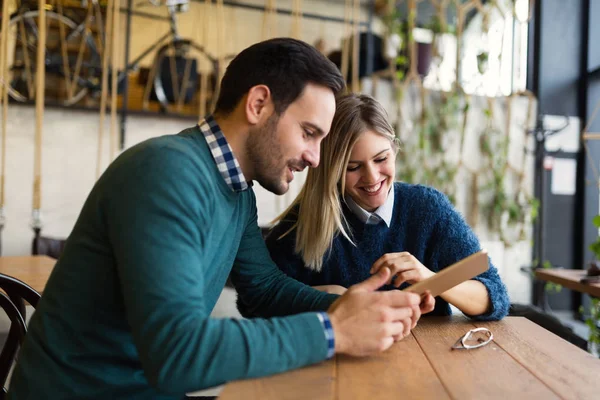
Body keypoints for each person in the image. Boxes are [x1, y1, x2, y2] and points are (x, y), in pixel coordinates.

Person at [8, 39, 430, 400]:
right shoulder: (165, 173)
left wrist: (359, 308)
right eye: (308, 133)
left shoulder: (236, 190)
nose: (315, 158)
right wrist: (332, 330)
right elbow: (178, 354)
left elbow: (263, 288)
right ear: (259, 104)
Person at [266, 93, 510, 321]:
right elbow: (257, 302)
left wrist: (431, 279)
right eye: (353, 167)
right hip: (341, 360)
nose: (372, 178)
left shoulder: (428, 209)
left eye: (381, 159)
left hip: (428, 359)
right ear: (332, 170)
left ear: (394, 150)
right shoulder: (305, 220)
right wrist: (325, 298)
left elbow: (496, 297)